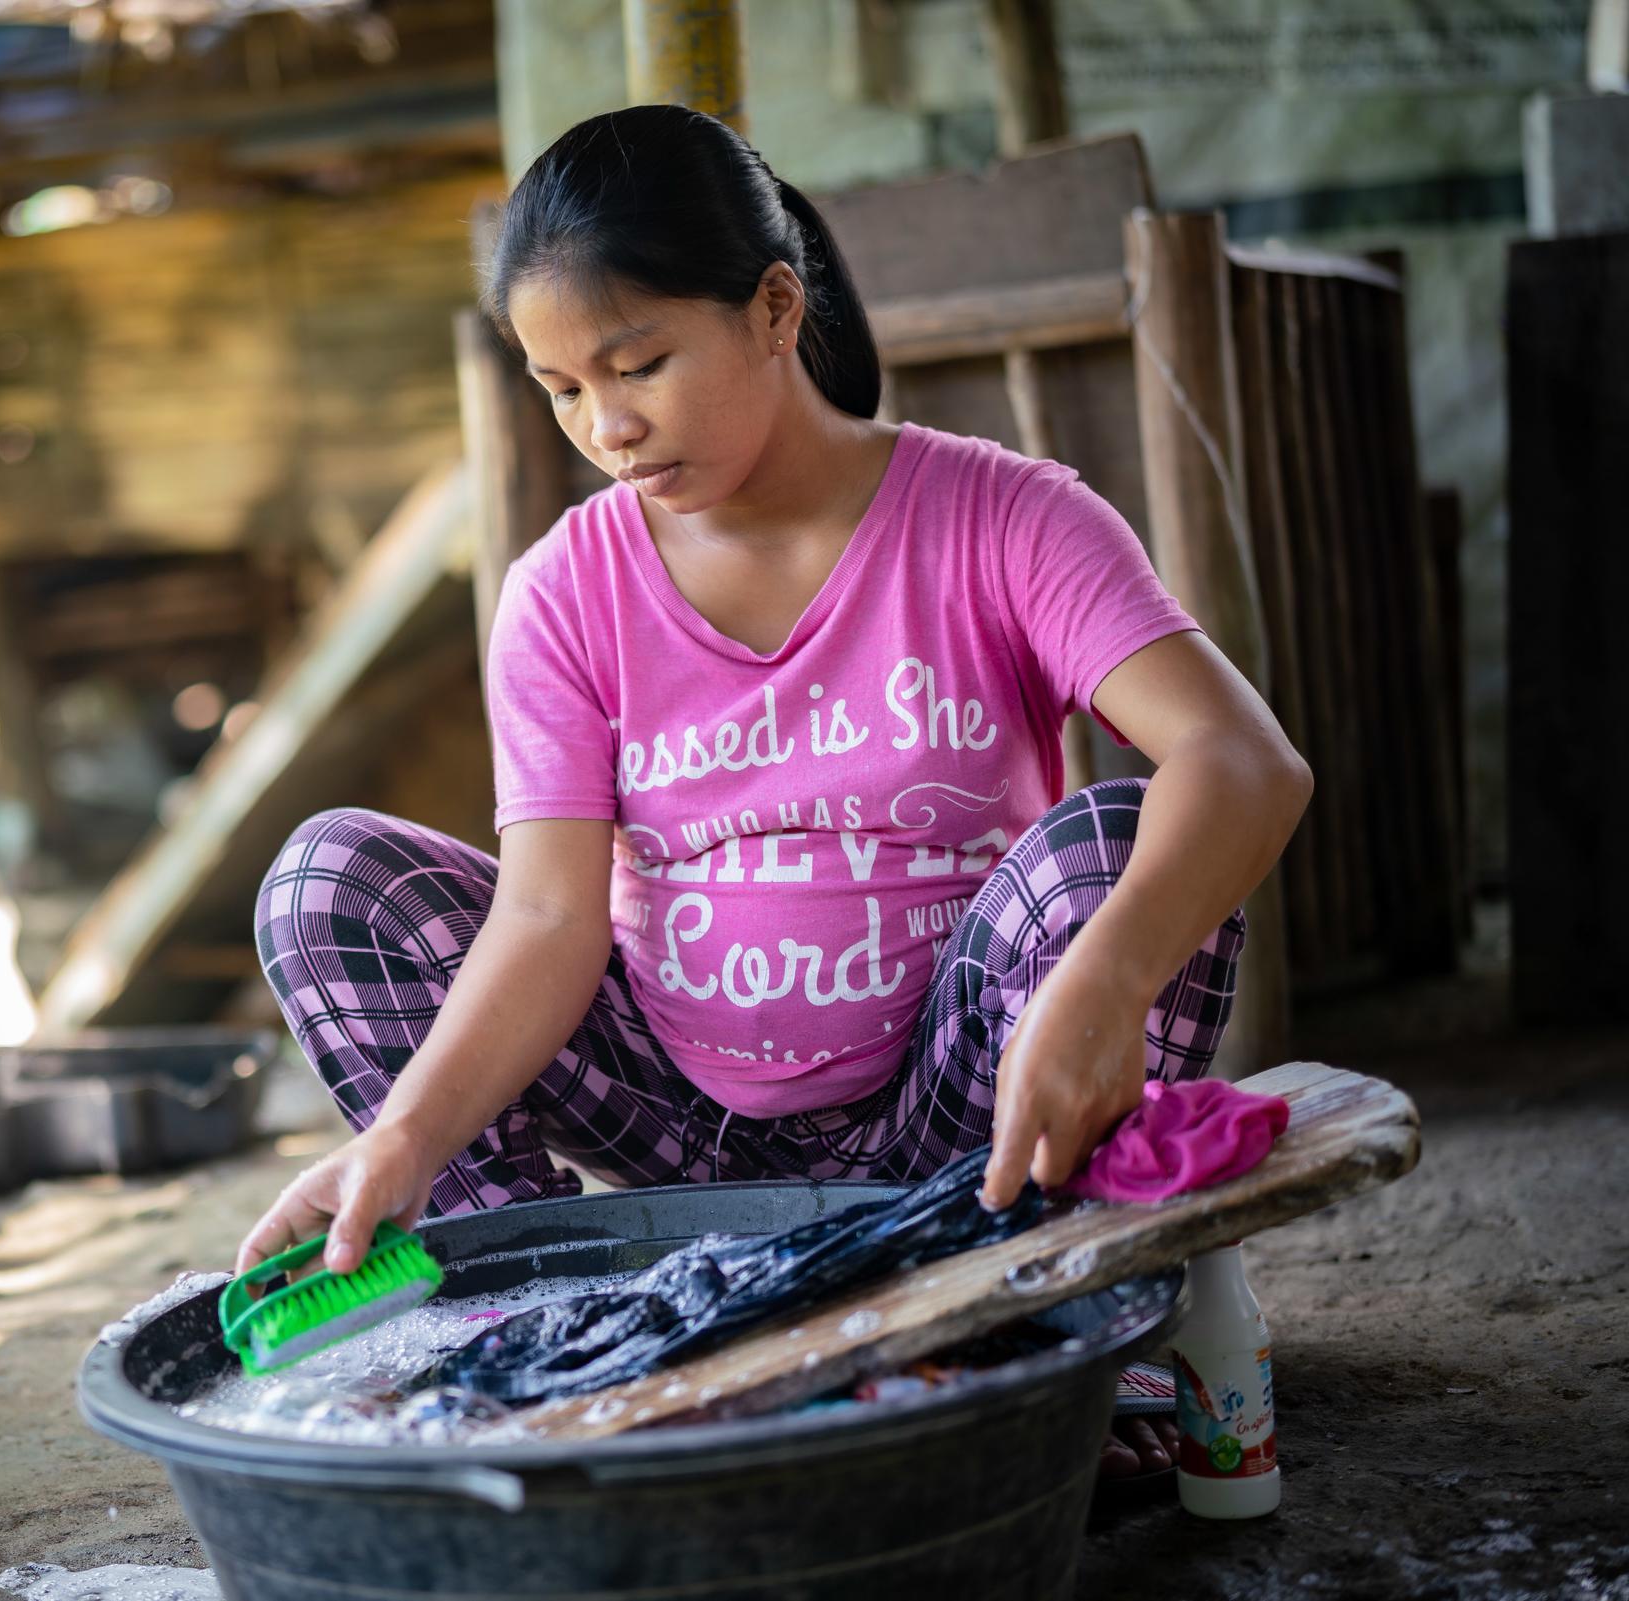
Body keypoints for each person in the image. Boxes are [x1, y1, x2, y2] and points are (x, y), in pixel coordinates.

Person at [240, 104, 1311, 1479]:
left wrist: (1102, 985)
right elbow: (550, 920)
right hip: (686, 1141)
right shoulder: (567, 591)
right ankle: (571, 1348)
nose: (605, 427)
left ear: (773, 307)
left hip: (958, 1134)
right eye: (561, 388)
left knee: (1111, 850)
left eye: (638, 365)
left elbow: (1244, 761)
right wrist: (403, 1140)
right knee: (329, 878)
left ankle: (1015, 1332)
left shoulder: (1005, 517)